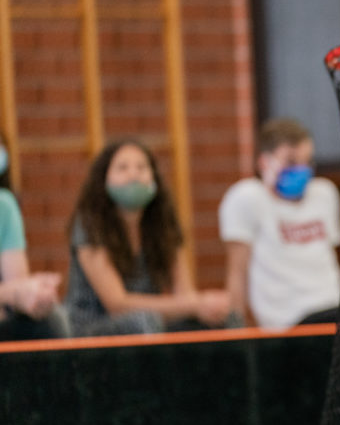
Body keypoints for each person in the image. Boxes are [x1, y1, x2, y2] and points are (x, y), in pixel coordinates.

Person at [66, 139, 232, 336]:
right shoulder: (89, 225)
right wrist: (196, 303)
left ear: (154, 178)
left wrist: (205, 307)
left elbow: (185, 294)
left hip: (151, 322)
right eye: (122, 168)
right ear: (104, 180)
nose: (134, 174)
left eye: (141, 167)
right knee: (144, 321)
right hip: (93, 327)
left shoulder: (163, 223)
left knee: (226, 318)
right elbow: (117, 304)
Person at [218, 118, 340, 329]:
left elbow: (333, 259)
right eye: (292, 162)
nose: (302, 170)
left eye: (308, 161)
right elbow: (236, 272)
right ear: (264, 162)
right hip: (288, 322)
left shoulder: (324, 193)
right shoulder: (247, 198)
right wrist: (235, 330)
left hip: (334, 311)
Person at [0, 132, 68, 340]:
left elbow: (16, 284)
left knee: (52, 320)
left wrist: (33, 295)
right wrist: (12, 293)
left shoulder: (5, 205)